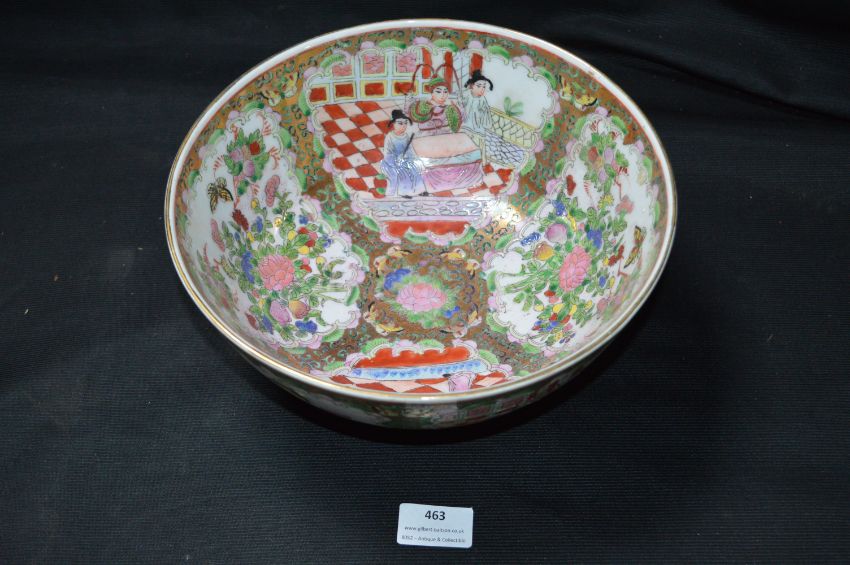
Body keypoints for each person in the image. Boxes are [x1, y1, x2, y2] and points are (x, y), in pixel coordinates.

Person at [380, 110, 424, 197]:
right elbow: (387, 153)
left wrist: (415, 159)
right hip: (391, 162)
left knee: (415, 168)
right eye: (400, 123)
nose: (403, 126)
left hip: (405, 160)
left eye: (405, 123)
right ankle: (404, 192)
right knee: (402, 170)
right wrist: (396, 159)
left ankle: (419, 190)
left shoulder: (406, 136)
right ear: (393, 124)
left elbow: (410, 151)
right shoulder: (390, 136)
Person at [460, 69, 494, 166]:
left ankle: (482, 163)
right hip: (466, 125)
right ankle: (465, 162)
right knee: (464, 143)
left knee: (480, 144)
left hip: (478, 127)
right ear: (472, 86)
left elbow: (486, 115)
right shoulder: (466, 94)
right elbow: (459, 105)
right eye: (479, 86)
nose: (481, 89)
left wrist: (483, 114)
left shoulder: (482, 99)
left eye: (484, 87)